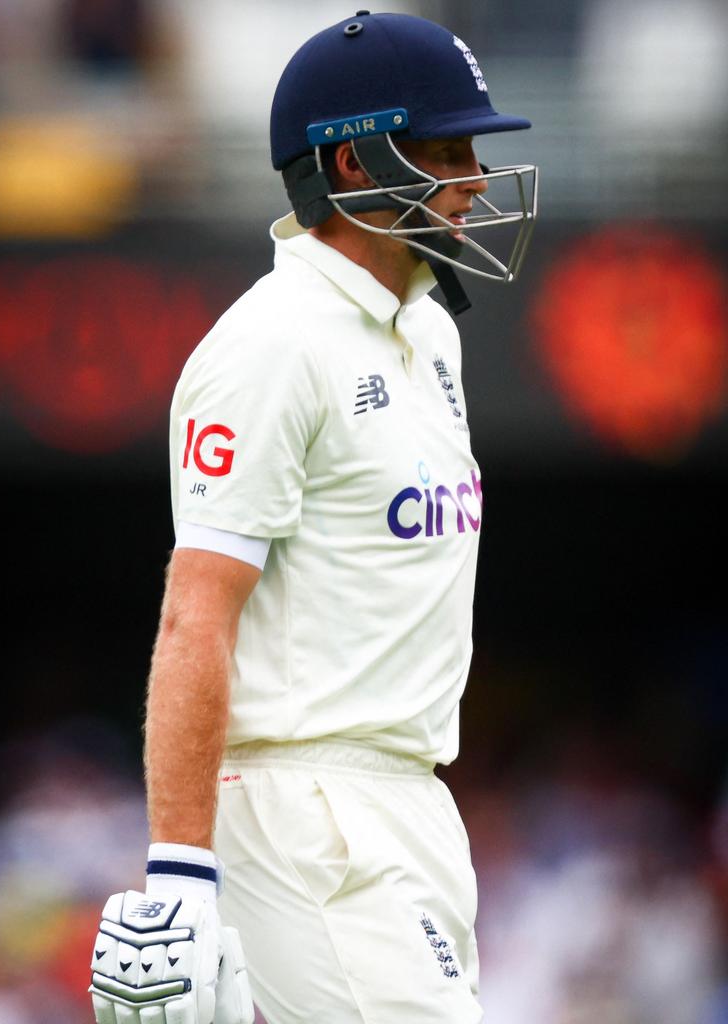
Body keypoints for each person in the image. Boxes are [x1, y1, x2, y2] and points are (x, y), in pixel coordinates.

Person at [89, 11, 537, 1024]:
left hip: (412, 799)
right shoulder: (270, 345)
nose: (472, 176)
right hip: (302, 814)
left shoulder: (427, 329)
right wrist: (181, 873)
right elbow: (196, 613)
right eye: (443, 150)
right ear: (348, 162)